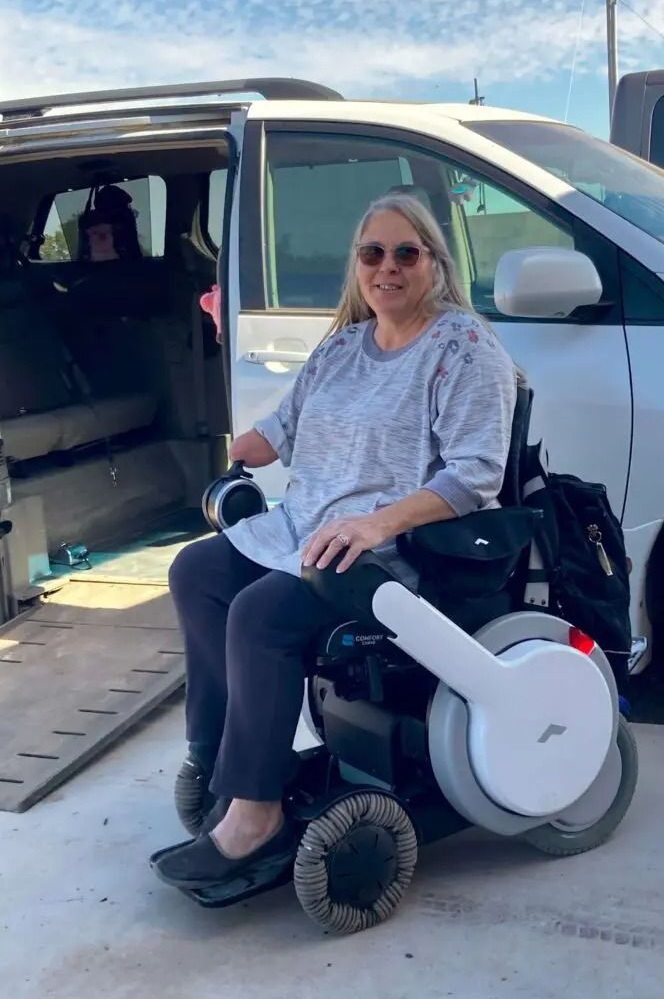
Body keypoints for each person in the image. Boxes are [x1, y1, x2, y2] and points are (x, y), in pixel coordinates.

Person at [154, 193, 519, 889]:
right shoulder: (345, 346)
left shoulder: (463, 348)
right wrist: (244, 445)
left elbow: (475, 474)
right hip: (312, 530)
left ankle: (255, 813)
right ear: (357, 266)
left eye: (405, 253)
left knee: (262, 613)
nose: (388, 267)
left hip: (392, 550)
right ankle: (217, 760)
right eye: (373, 253)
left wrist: (378, 523)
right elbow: (285, 426)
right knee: (197, 570)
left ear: (434, 264)